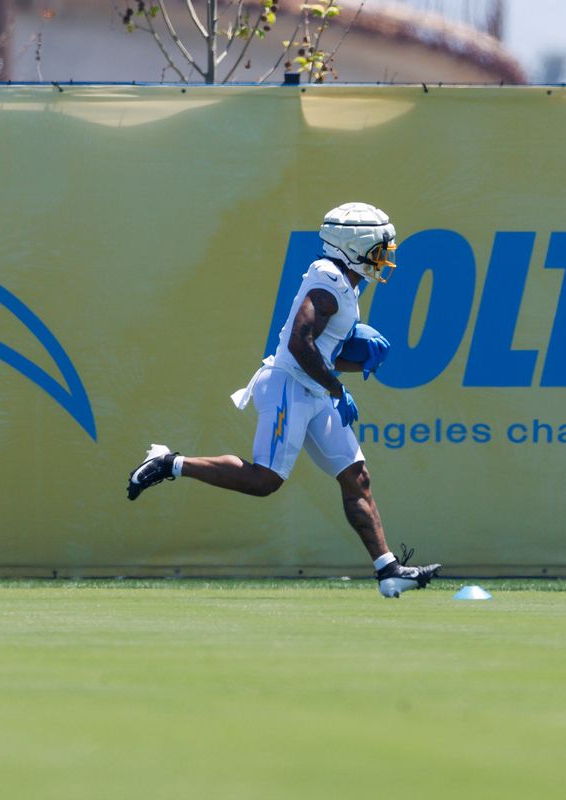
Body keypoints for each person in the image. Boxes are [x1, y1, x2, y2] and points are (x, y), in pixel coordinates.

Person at [126, 202, 441, 598]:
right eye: (378, 249)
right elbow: (299, 343)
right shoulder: (327, 281)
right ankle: (169, 462)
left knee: (356, 476)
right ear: (352, 246)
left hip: (310, 385)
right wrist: (335, 387)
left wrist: (352, 358)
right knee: (264, 481)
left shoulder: (346, 282)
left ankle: (388, 570)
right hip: (289, 386)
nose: (383, 258)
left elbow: (321, 352)